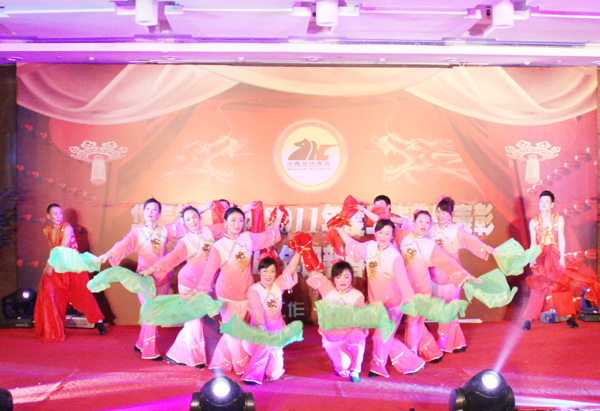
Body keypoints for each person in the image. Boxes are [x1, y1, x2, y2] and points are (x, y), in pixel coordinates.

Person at [197, 206, 284, 374]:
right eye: (233, 220)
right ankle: (242, 368)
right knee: (235, 333)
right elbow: (208, 273)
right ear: (225, 223)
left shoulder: (248, 238)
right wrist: (201, 295)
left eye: (241, 220)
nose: (237, 224)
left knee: (234, 332)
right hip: (226, 296)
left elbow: (270, 237)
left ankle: (219, 363)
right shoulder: (218, 246)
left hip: (246, 294)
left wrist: (278, 217)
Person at [334, 220, 425, 377]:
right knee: (382, 335)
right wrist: (340, 230)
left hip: (393, 304)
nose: (383, 236)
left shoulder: (395, 257)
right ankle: (411, 362)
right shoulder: (370, 247)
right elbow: (353, 246)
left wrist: (410, 301)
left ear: (392, 236)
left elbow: (403, 281)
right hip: (376, 303)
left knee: (381, 335)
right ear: (375, 233)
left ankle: (378, 366)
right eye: (380, 233)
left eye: (387, 234)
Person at [139, 205, 224, 368]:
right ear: (184, 223)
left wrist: (245, 211)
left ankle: (176, 355)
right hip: (188, 284)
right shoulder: (185, 243)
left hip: (205, 284)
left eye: (194, 217)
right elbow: (170, 259)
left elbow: (230, 226)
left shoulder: (210, 231)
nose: (192, 222)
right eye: (188, 219)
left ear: (199, 217)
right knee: (194, 320)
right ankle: (194, 358)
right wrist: (151, 269)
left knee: (197, 320)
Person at [94, 198, 177, 361]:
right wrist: (108, 254)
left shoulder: (165, 231)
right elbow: (122, 245)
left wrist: (202, 209)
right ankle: (149, 351)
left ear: (159, 213)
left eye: (154, 209)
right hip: (144, 279)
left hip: (162, 278)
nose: (151, 212)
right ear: (143, 212)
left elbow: (185, 223)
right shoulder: (137, 233)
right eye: (148, 209)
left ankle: (140, 344)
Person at [400, 210, 480, 363]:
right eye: (420, 221)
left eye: (427, 222)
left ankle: (422, 353)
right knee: (414, 321)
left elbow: (447, 262)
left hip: (423, 288)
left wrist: (465, 275)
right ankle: (429, 351)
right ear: (413, 223)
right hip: (405, 287)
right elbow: (385, 227)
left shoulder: (431, 245)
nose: (424, 225)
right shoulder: (403, 236)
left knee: (416, 321)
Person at [429, 196, 498, 353]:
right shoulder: (430, 228)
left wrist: (489, 249)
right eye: (438, 212)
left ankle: (445, 343)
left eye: (444, 213)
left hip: (453, 276)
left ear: (451, 214)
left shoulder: (456, 230)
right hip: (434, 276)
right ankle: (458, 342)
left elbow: (474, 241)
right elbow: (411, 225)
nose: (440, 216)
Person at [34, 203, 106, 343]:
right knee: (56, 295)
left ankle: (99, 322)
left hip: (73, 265)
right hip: (58, 264)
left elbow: (62, 249)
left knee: (82, 293)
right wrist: (47, 266)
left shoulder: (67, 228)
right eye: (55, 213)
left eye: (60, 213)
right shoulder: (46, 230)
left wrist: (50, 266)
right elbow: (53, 249)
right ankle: (57, 325)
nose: (58, 216)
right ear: (48, 216)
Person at [522, 190, 578, 330]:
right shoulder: (534, 222)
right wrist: (532, 258)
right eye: (542, 201)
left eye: (547, 201)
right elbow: (533, 242)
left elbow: (562, 239)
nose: (544, 204)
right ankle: (529, 318)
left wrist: (562, 257)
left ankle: (569, 316)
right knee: (538, 286)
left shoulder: (558, 219)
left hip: (554, 255)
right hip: (540, 256)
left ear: (552, 204)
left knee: (560, 285)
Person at [241, 253, 300, 385]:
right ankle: (251, 375)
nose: (268, 275)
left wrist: (299, 251)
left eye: (272, 271)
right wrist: (261, 326)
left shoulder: (278, 285)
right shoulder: (254, 290)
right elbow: (257, 310)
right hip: (258, 334)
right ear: (259, 272)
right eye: (265, 271)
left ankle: (267, 361)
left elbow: (290, 269)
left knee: (274, 374)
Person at [306, 260, 368, 383]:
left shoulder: (357, 295)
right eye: (338, 277)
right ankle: (343, 364)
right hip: (332, 337)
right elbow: (313, 276)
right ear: (333, 279)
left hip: (349, 334)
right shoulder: (327, 288)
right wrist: (312, 261)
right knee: (343, 367)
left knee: (359, 334)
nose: (342, 280)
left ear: (352, 277)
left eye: (346, 276)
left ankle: (355, 369)